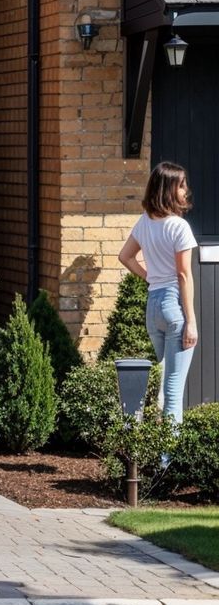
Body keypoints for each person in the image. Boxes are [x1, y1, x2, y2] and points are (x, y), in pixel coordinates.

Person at [119, 161, 200, 426]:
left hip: (153, 307)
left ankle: (158, 452)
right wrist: (191, 321)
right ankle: (168, 460)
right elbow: (184, 275)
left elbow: (125, 256)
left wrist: (149, 277)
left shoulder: (144, 222)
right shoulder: (179, 227)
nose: (185, 191)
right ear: (169, 189)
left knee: (165, 386)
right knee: (173, 391)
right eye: (181, 185)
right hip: (173, 306)